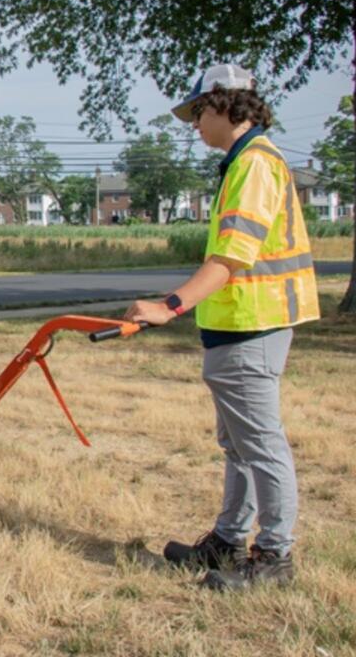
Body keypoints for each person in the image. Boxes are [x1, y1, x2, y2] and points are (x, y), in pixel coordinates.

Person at [124, 64, 318, 591]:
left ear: (224, 105)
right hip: (240, 325)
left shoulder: (254, 164)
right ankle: (230, 539)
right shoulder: (245, 162)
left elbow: (233, 256)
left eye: (196, 113)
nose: (193, 125)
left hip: (254, 325)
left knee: (261, 444)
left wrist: (170, 305)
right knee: (239, 444)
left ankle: (274, 556)